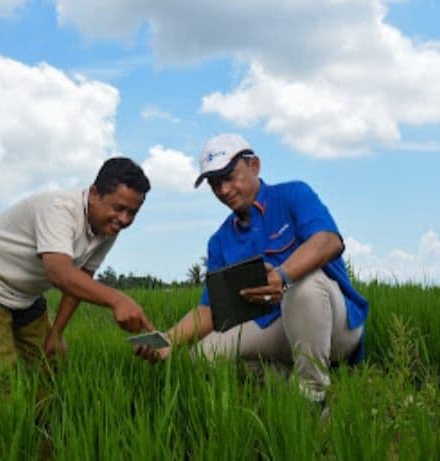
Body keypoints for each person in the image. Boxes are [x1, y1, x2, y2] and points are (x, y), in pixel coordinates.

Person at [136, 133, 368, 405]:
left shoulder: (293, 195)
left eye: (229, 176)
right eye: (214, 183)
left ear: (254, 166)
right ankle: (289, 383)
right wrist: (168, 340)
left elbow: (328, 241)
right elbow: (211, 309)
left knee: (303, 286)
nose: (223, 190)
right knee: (198, 360)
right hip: (273, 328)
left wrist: (282, 276)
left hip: (332, 326)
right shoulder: (220, 240)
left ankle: (313, 398)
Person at [0, 157, 155, 376]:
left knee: (51, 364)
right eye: (119, 208)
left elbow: (81, 279)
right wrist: (117, 299)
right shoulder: (58, 209)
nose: (124, 219)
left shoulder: (106, 229)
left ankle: (44, 412)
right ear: (94, 193)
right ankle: (9, 410)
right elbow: (59, 273)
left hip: (25, 294)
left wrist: (56, 333)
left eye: (132, 213)